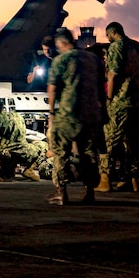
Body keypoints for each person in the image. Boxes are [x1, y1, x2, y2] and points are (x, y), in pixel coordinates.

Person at [45, 27, 102, 205]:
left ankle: (61, 192)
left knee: (61, 153)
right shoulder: (93, 59)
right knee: (89, 153)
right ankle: (90, 191)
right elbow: (101, 87)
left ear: (61, 43)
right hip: (91, 114)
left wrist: (52, 113)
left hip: (68, 114)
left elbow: (52, 88)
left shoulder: (61, 60)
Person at [102, 22, 139, 192]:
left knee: (110, 140)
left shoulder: (116, 47)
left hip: (123, 101)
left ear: (113, 32)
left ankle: (105, 179)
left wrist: (109, 98)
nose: (107, 39)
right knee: (133, 141)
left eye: (107, 36)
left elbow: (113, 74)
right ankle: (133, 179)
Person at [0, 99, 48, 181]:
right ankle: (29, 170)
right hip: (24, 151)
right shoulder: (18, 116)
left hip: (7, 154)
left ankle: (5, 172)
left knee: (0, 153)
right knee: (44, 145)